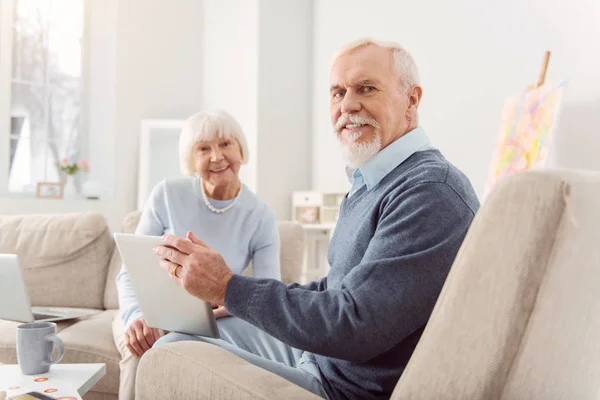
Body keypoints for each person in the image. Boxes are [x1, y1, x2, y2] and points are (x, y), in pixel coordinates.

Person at [153, 38, 480, 400]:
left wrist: (228, 286)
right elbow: (339, 289)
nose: (348, 105)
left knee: (169, 357)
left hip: (338, 388)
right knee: (181, 339)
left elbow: (354, 326)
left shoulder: (429, 192)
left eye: (366, 88)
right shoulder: (372, 182)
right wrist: (238, 300)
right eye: (337, 93)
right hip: (318, 357)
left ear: (412, 100)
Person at [113, 109, 281, 400]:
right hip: (151, 311)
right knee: (139, 350)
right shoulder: (167, 193)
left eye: (226, 144)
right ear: (192, 159)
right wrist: (135, 317)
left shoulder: (261, 216)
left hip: (218, 319)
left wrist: (220, 306)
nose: (216, 156)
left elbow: (267, 294)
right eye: (204, 148)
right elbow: (128, 272)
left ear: (241, 149)